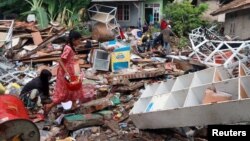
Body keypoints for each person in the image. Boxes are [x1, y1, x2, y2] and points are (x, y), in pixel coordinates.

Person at [45, 30, 85, 113]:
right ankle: (49, 106)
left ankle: (74, 105)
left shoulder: (71, 47)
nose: (80, 42)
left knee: (75, 88)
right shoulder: (68, 48)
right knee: (64, 93)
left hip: (71, 72)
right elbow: (60, 60)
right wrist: (66, 72)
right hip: (66, 73)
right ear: (74, 40)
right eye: (79, 40)